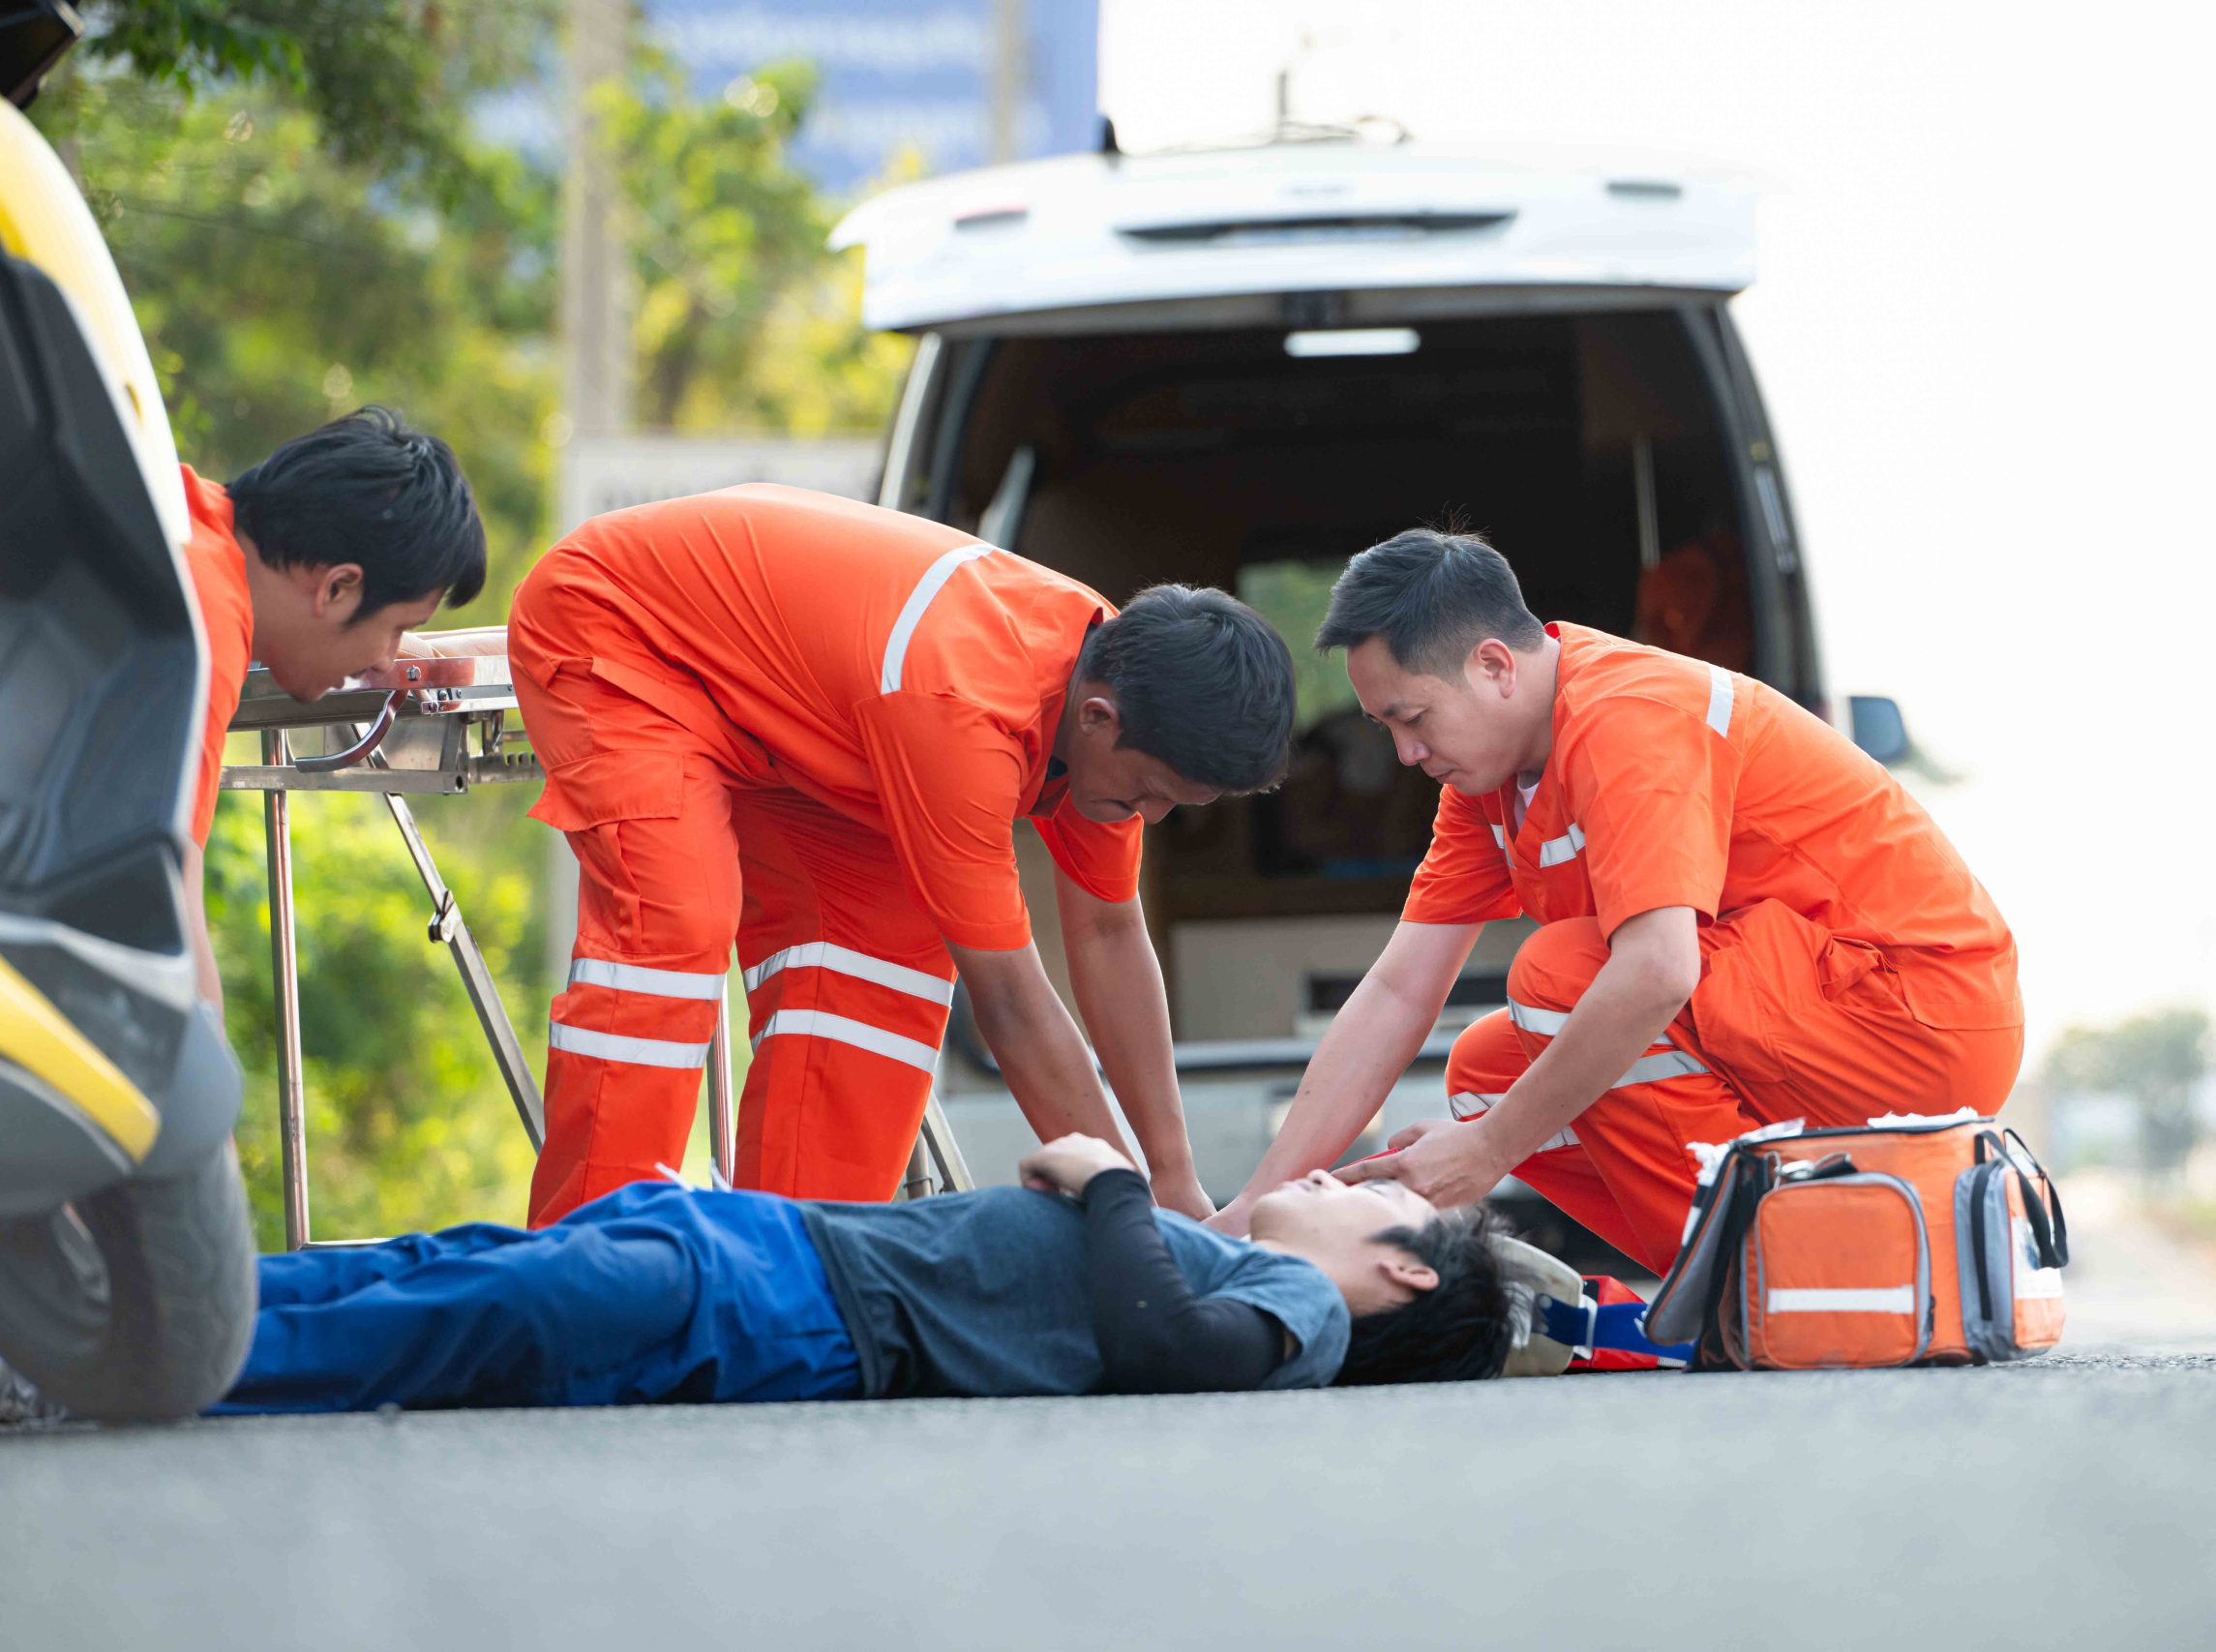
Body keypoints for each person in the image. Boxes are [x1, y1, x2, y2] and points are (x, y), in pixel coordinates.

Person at [1212, 527, 2022, 1274]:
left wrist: (1488, 1150)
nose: (1405, 752)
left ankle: (1788, 1270)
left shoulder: (1627, 716)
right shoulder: (1486, 787)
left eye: (1411, 717)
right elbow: (1399, 990)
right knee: (1488, 1069)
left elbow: (1659, 970)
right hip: (1808, 1016)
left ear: (1495, 666)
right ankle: (1765, 1272)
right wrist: (1255, 1206)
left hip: (1918, 1012)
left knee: (1562, 977)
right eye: (1385, 727)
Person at [507, 488, 1296, 1227]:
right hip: (622, 630)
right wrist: (1130, 1216)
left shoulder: (1121, 689)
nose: (1148, 818)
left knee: (883, 967)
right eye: (1149, 794)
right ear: (1097, 717)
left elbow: (1109, 934)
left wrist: (1174, 1181)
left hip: (786, 710)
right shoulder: (964, 709)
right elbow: (1014, 1007)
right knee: (675, 920)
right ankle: (587, 1264)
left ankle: (794, 1274)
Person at [212, 1135, 1514, 1411]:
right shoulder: (1248, 1264)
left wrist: (1115, 1181)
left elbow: (1170, 1349)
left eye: (1375, 1198)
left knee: (484, 1307)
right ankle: (156, 1309)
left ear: (1397, 1271)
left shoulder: (1297, 1310)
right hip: (774, 1244)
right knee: (444, 1267)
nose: (1342, 1178)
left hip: (796, 1302)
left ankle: (185, 1366)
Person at [181, 406, 489, 1011]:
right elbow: (159, 903)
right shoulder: (198, 625)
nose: (383, 662)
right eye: (397, 627)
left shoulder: (182, 522)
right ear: (338, 587)